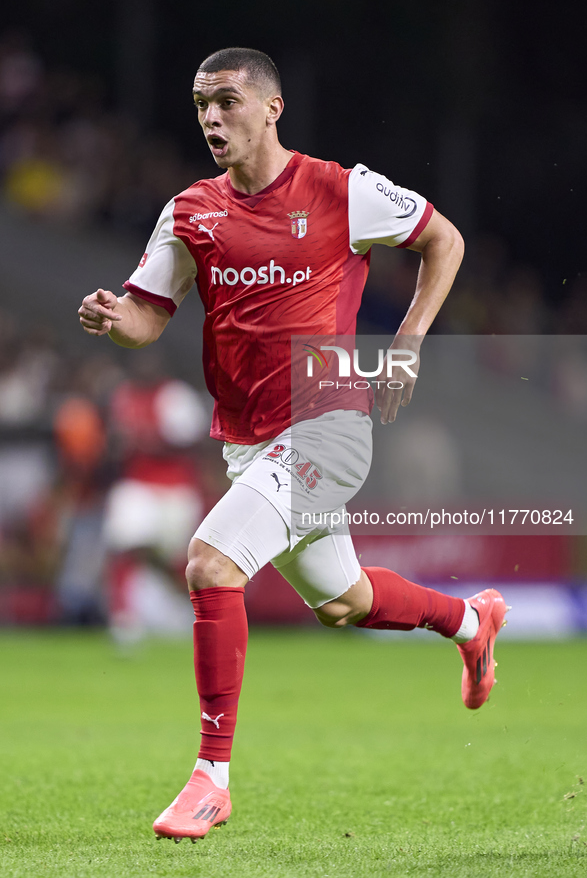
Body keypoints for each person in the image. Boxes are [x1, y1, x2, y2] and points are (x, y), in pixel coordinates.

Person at [78, 47, 507, 842]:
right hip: (248, 441)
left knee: (210, 560)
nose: (212, 116)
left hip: (329, 422)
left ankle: (212, 776)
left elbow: (441, 239)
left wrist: (409, 340)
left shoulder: (342, 189)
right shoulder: (189, 211)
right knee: (342, 600)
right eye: (203, 102)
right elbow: (147, 317)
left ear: (272, 108)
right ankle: (467, 623)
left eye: (229, 101)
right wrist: (115, 318)